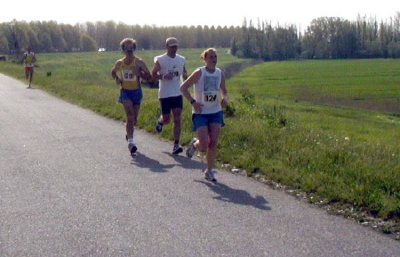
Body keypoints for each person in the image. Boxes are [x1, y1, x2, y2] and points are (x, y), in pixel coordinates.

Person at [180, 48, 229, 182]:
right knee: (204, 144)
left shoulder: (219, 73)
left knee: (213, 143)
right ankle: (195, 145)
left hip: (215, 112)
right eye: (211, 57)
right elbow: (183, 88)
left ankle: (209, 170)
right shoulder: (199, 72)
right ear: (205, 59)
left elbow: (224, 91)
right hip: (201, 113)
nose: (213, 59)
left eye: (215, 57)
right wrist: (193, 102)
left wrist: (225, 99)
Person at [111, 38, 152, 156]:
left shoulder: (139, 62)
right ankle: (131, 143)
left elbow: (149, 77)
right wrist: (117, 79)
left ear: (134, 49)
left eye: (131, 48)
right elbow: (113, 72)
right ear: (123, 49)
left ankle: (129, 133)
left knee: (134, 119)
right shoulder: (120, 63)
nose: (129, 51)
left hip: (136, 92)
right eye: (126, 49)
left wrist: (139, 73)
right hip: (125, 92)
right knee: (129, 116)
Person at [151, 37, 188, 155]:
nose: (174, 48)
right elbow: (153, 74)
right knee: (167, 118)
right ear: (166, 47)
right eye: (172, 46)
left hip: (177, 92)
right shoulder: (161, 60)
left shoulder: (181, 59)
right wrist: (163, 77)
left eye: (176, 46)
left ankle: (176, 144)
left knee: (177, 117)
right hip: (165, 93)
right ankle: (161, 121)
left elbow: (184, 72)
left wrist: (186, 76)